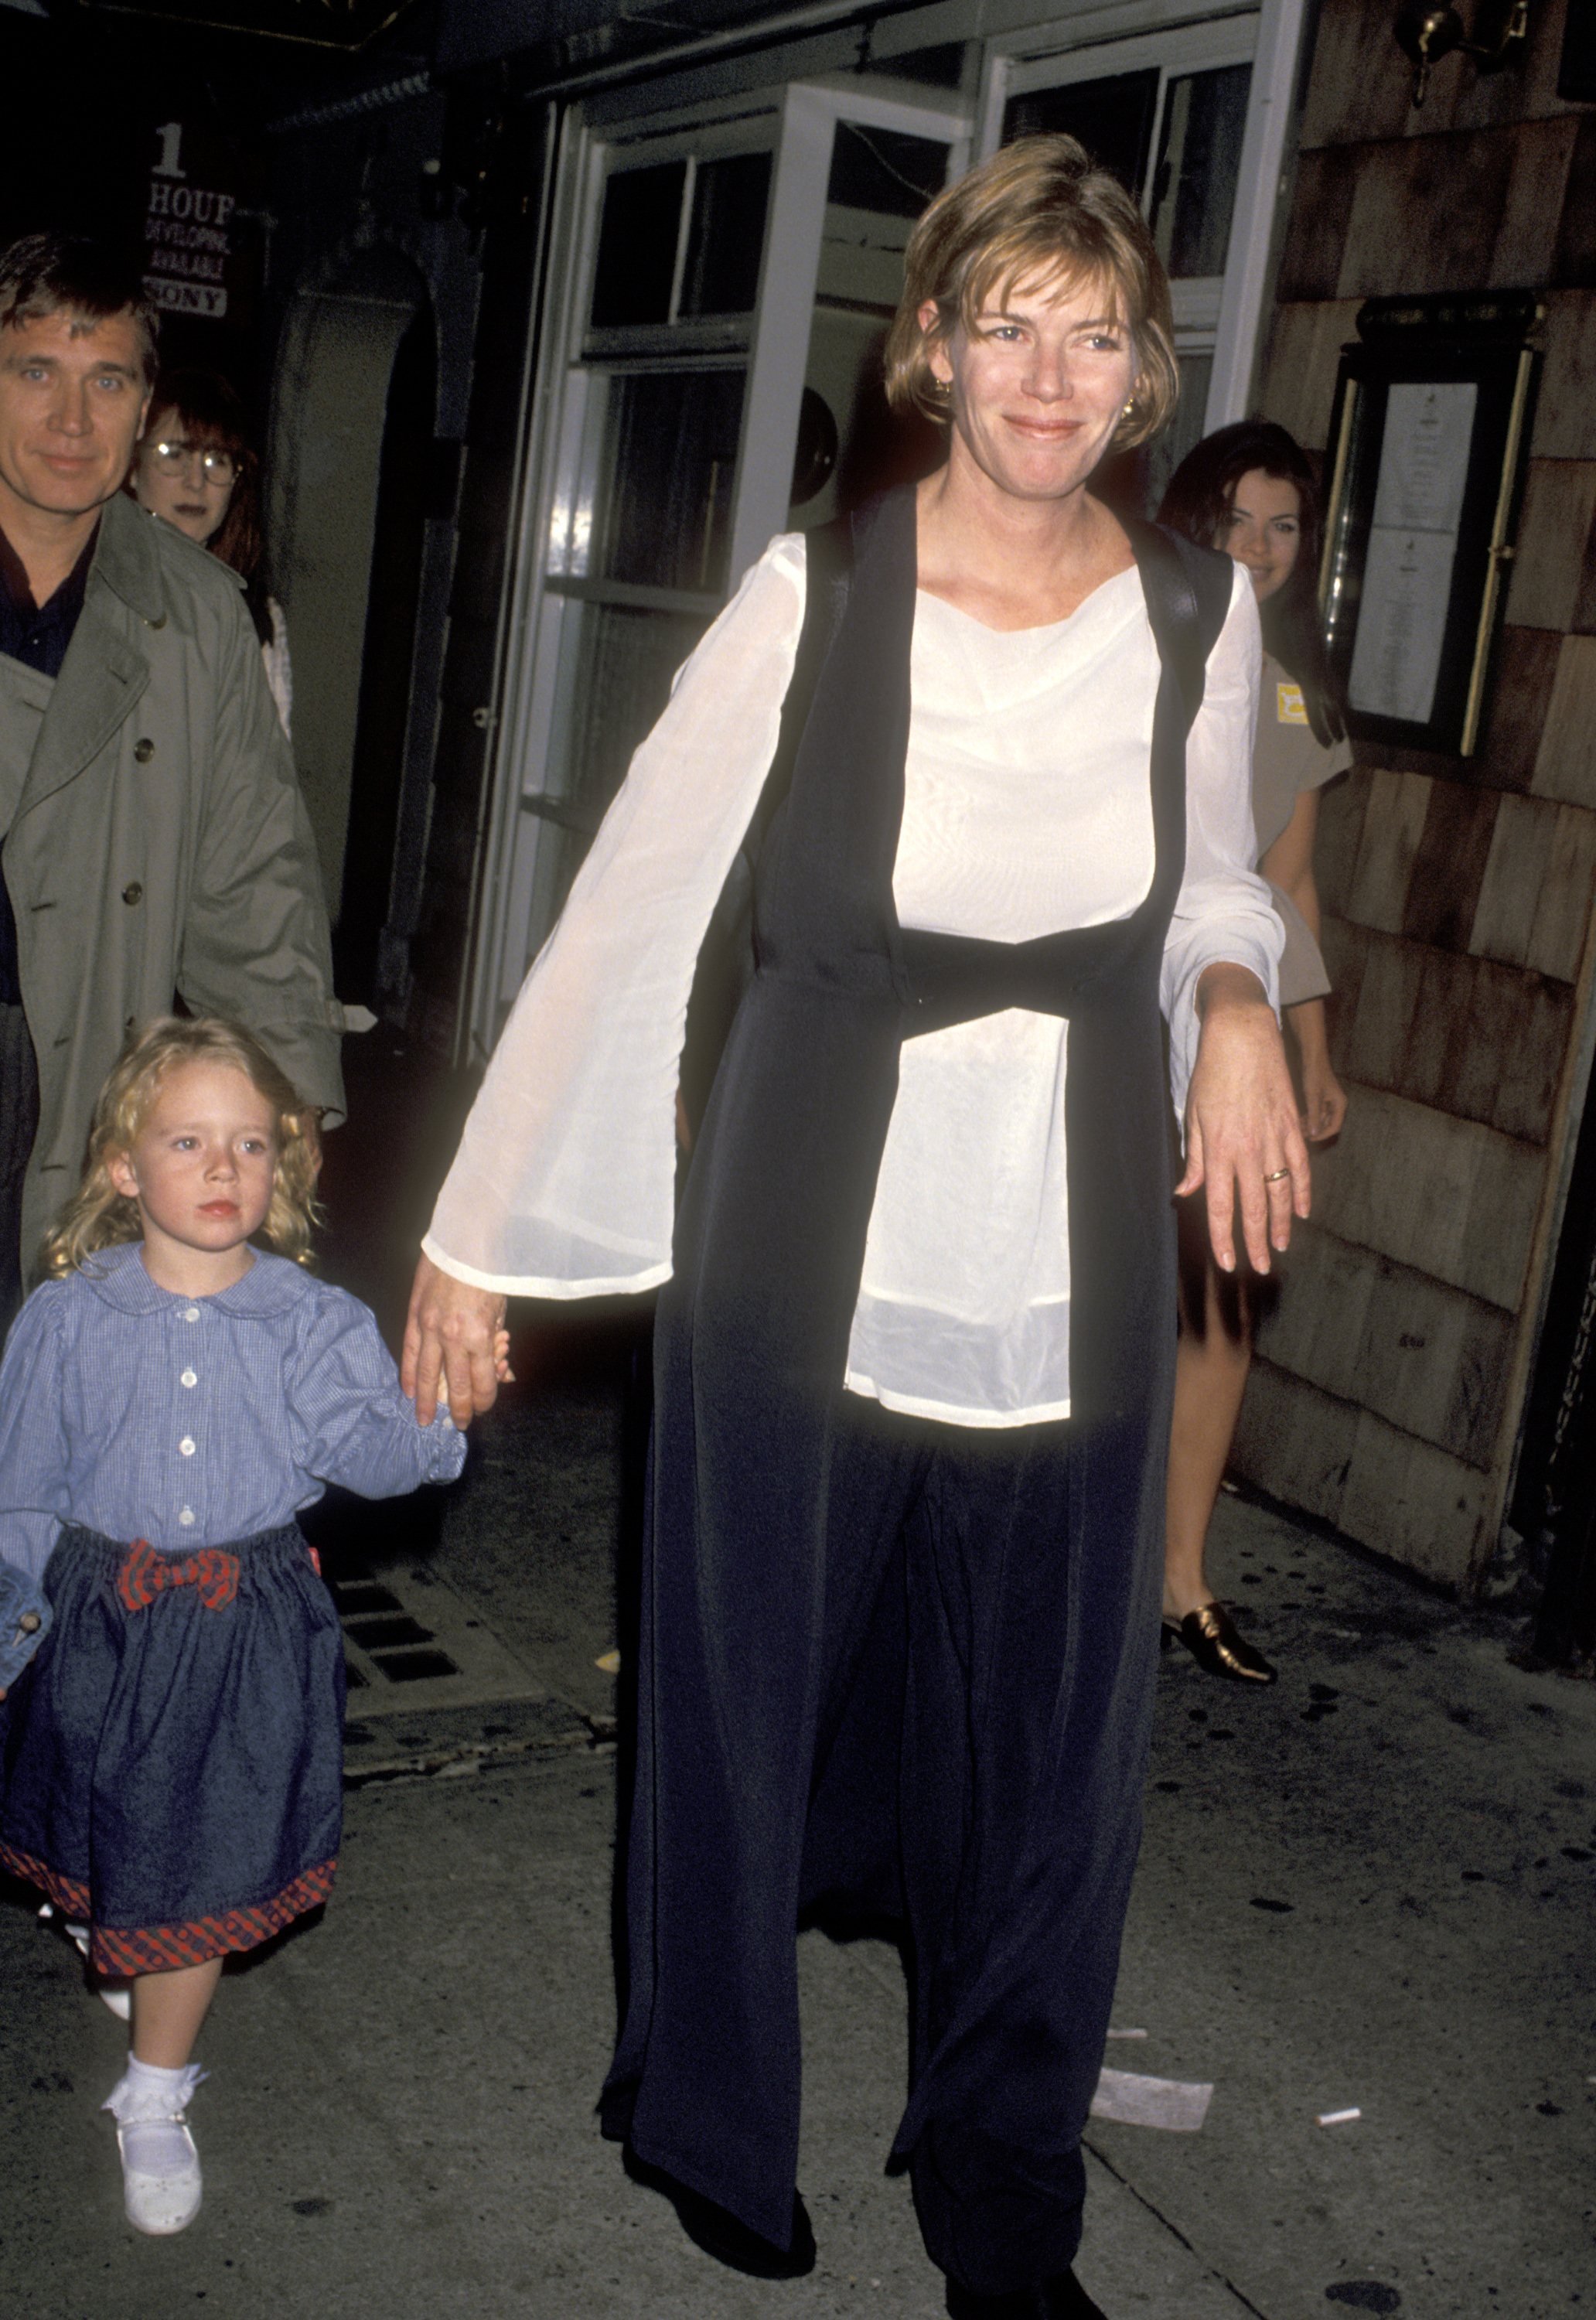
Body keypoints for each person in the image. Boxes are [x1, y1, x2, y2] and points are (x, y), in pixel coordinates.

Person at [403, 137, 1308, 2318]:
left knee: (1056, 1732)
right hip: (821, 1195)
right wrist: (476, 1237)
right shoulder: (822, 591)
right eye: (1009, 323)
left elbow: (1210, 872)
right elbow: (631, 905)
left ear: (1140, 376)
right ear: (937, 344)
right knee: (749, 1672)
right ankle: (714, 2109)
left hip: (1070, 1214)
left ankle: (1006, 2186)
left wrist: (1241, 995)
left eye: (1094, 334)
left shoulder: (1198, 607)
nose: (1048, 373)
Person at [0, 1015, 495, 2238]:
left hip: (241, 1636)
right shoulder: (68, 1320)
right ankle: (121, 1931)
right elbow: (20, 1490)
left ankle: (155, 2094)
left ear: (283, 1167)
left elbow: (378, 1458)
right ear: (125, 1168)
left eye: (252, 1145)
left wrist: (443, 1400)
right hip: (100, 1624)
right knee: (100, 1840)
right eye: (187, 1142)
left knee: (195, 1860)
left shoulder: (308, 1323)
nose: (224, 1170)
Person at [0, 230, 343, 1325]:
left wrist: (286, 1105)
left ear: (144, 403)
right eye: (34, 373)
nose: (71, 421)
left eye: (107, 381)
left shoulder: (197, 616)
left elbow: (255, 885)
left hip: (88, 1069)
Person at [1158, 421, 1352, 1684]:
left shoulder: (1292, 696)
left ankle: (1178, 1580)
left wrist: (1308, 1054)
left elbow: (1288, 891)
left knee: (1222, 1299)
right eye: (1234, 519)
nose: (1257, 548)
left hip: (1236, 1035)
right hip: (1125, 1009)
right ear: (1191, 520)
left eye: (1281, 525)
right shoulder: (1137, 644)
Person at [129, 367, 293, 735]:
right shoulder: (90, 584)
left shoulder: (256, 615)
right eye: (174, 454)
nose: (196, 481)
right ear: (133, 468)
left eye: (216, 460)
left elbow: (271, 760)